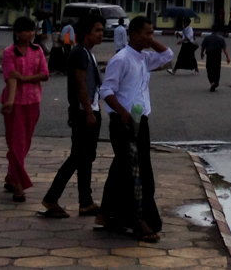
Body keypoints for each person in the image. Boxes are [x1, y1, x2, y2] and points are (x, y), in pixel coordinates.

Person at [96, 16, 173, 240]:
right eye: (147, 33)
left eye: (152, 33)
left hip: (141, 121)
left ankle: (108, 213)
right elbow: (107, 91)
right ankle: (139, 221)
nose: (151, 37)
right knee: (138, 175)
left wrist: (152, 42)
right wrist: (121, 112)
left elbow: (168, 56)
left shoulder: (145, 59)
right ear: (134, 34)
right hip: (124, 121)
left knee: (123, 170)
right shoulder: (121, 59)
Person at [41, 14, 105, 219]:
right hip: (83, 112)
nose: (101, 33)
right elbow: (80, 84)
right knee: (77, 157)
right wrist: (88, 111)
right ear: (86, 33)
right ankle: (51, 198)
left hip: (89, 110)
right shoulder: (80, 53)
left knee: (86, 158)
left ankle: (85, 202)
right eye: (97, 30)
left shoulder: (88, 53)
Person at [0, 16, 49, 202]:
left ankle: (10, 175)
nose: (30, 34)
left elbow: (44, 75)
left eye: (32, 30)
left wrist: (24, 78)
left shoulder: (38, 51)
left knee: (25, 142)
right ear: (17, 33)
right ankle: (19, 185)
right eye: (26, 30)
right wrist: (10, 102)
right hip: (15, 103)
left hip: (33, 101)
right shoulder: (9, 52)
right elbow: (10, 78)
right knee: (16, 142)